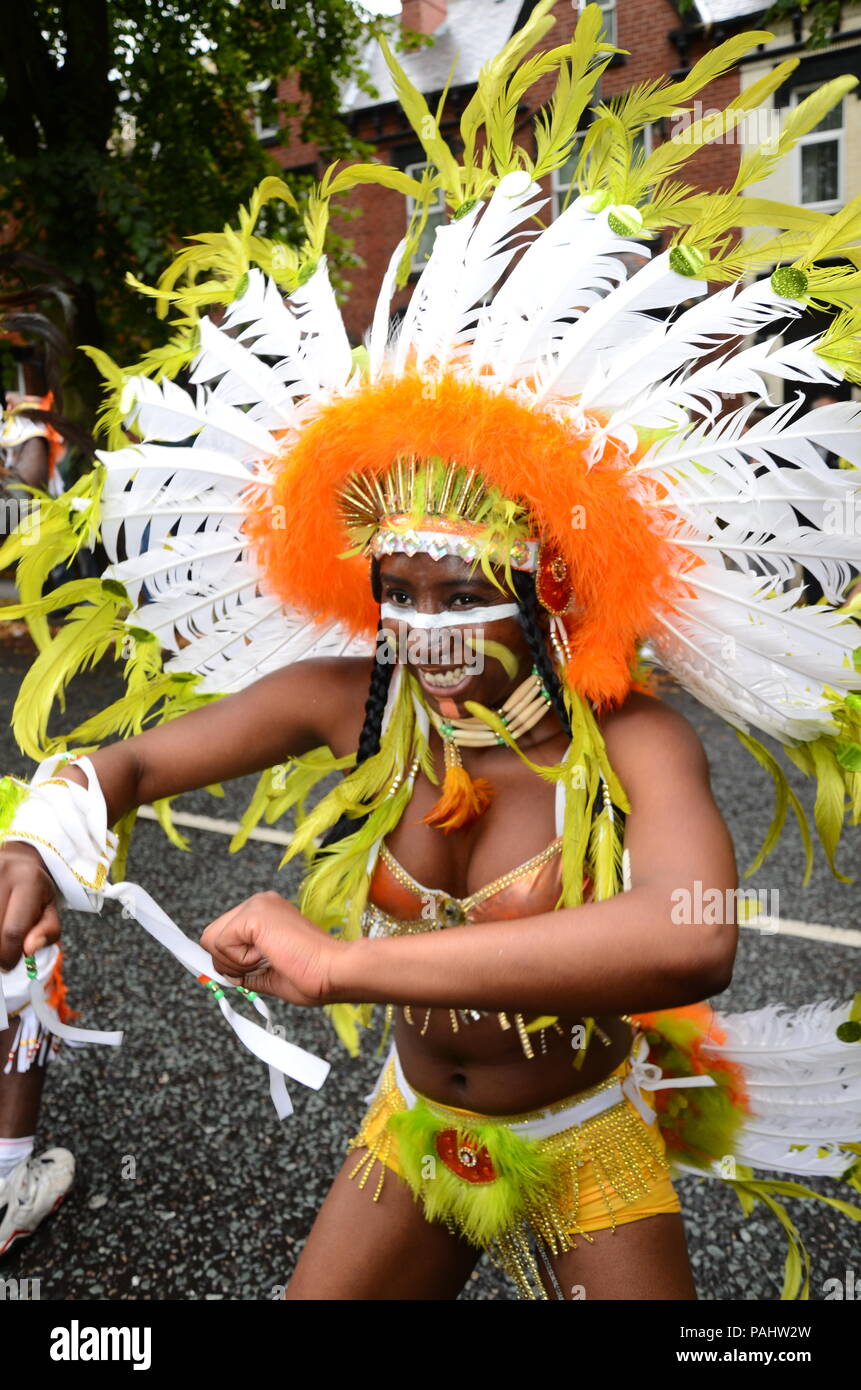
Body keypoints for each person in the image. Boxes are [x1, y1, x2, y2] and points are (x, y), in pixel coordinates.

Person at [0, 1, 860, 1301]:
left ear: (544, 580)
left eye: (453, 587)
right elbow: (116, 765)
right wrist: (37, 838)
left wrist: (345, 962)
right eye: (390, 584)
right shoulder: (358, 702)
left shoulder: (625, 735)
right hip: (417, 1125)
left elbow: (688, 936)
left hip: (585, 1142)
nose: (416, 622)